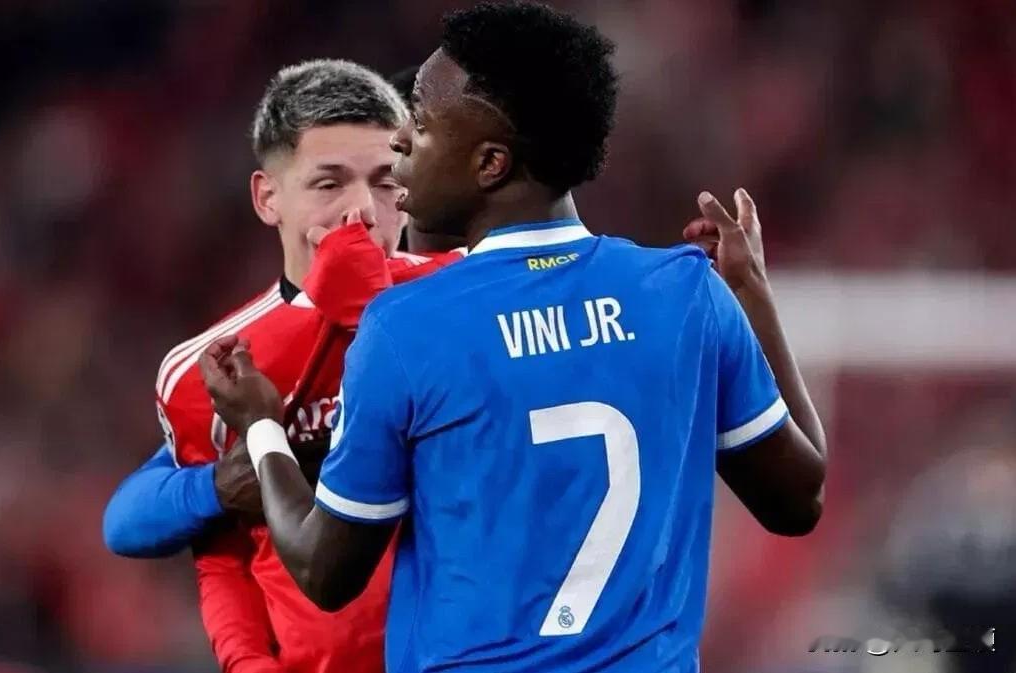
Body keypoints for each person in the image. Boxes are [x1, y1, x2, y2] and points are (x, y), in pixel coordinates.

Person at [200, 3, 828, 673]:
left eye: (422, 122)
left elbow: (324, 572)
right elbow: (798, 499)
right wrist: (751, 294)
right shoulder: (685, 292)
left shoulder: (406, 327)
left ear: (490, 163)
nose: (400, 140)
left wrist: (261, 427)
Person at [113, 59, 460, 673]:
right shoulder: (214, 367)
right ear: (267, 197)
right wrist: (246, 661)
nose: (362, 211)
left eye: (385, 182)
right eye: (329, 184)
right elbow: (215, 554)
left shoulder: (469, 301)